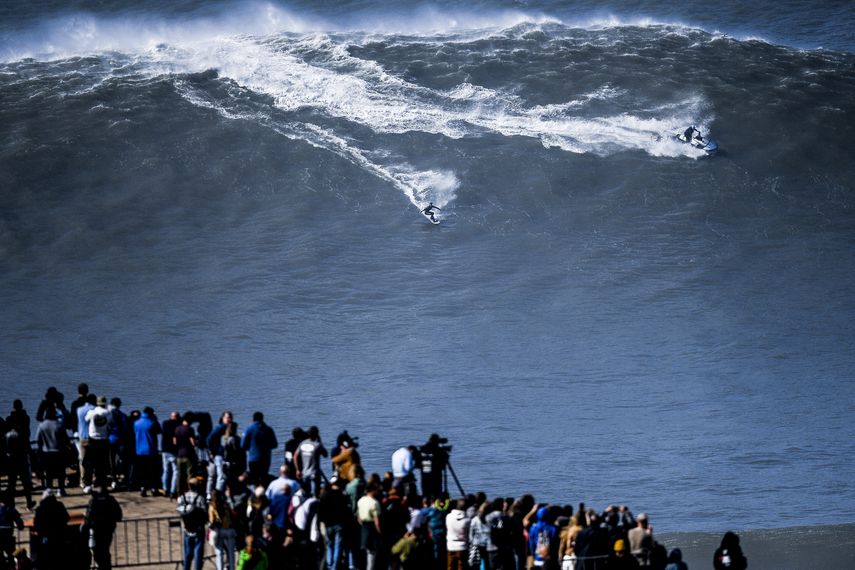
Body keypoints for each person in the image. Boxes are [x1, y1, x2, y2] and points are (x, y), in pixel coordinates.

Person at [5, 400, 35, 509]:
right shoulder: (25, 418)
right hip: (22, 453)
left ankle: (11, 503)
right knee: (26, 481)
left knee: (11, 482)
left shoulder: (9, 420)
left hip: (11, 455)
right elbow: (27, 433)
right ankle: (29, 502)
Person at [85, 485, 123, 570]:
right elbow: (118, 514)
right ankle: (106, 566)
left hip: (98, 529)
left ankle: (103, 566)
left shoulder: (94, 501)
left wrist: (89, 525)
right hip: (108, 528)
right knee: (105, 549)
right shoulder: (111, 500)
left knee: (98, 550)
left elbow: (88, 516)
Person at [177, 477, 208, 570]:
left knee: (187, 553)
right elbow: (205, 512)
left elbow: (180, 510)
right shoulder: (201, 498)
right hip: (198, 529)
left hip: (187, 529)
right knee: (198, 554)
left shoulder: (182, 497)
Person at [37, 408, 70, 495]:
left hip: (46, 451)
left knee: (48, 472)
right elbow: (65, 439)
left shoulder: (41, 425)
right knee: (61, 471)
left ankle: (49, 488)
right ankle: (61, 489)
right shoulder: (59, 425)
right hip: (59, 451)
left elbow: (39, 440)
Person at [85, 396, 114, 491]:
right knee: (102, 464)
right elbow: (110, 423)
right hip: (104, 440)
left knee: (89, 463)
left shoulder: (92, 412)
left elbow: (86, 419)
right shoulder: (108, 414)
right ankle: (101, 484)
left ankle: (88, 485)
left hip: (92, 440)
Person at [242, 412, 278, 487]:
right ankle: (263, 495)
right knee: (264, 478)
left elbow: (242, 445)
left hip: (253, 458)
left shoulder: (249, 429)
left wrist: (251, 449)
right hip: (265, 458)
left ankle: (255, 495)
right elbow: (274, 444)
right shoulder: (268, 429)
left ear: (253, 419)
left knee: (255, 479)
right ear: (262, 418)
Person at [133, 407, 161, 497]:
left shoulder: (136, 423)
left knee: (142, 471)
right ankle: (153, 489)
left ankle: (143, 488)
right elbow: (159, 431)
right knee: (153, 471)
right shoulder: (152, 423)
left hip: (139, 450)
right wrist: (156, 419)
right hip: (150, 450)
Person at [294, 425, 328, 496]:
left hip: (305, 473)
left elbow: (295, 456)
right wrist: (320, 442)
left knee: (306, 493)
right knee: (316, 494)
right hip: (314, 473)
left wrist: (297, 470)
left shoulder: (302, 443)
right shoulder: (317, 445)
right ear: (316, 434)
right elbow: (325, 455)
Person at [207, 411, 235, 497]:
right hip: (220, 455)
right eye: (227, 417)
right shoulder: (221, 427)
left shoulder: (227, 427)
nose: (229, 419)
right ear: (223, 418)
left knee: (212, 476)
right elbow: (209, 440)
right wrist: (212, 451)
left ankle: (209, 495)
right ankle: (217, 496)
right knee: (221, 477)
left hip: (218, 455)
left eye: (230, 417)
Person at [209, 489, 237, 570]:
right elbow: (233, 511)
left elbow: (211, 520)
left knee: (219, 553)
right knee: (231, 552)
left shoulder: (212, 506)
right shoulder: (226, 503)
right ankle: (232, 568)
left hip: (219, 530)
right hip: (230, 529)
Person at [357, 482, 383, 570]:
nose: (377, 490)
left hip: (364, 528)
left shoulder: (361, 500)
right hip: (372, 529)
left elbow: (359, 518)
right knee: (372, 554)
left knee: (367, 553)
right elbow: (377, 522)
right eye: (376, 489)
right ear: (372, 490)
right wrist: (380, 533)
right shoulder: (374, 503)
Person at [174, 413, 197, 495]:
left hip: (179, 455)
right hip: (188, 455)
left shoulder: (177, 429)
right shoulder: (190, 429)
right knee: (190, 474)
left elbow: (175, 442)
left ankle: (178, 492)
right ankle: (190, 491)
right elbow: (193, 443)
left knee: (179, 475)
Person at [446, 498, 470, 570]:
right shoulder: (467, 520)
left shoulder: (448, 517)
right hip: (463, 546)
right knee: (462, 566)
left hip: (451, 545)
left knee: (450, 566)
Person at [161, 411, 181, 499]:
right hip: (173, 451)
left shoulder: (165, 423)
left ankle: (165, 489)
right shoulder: (177, 426)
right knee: (175, 471)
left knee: (166, 470)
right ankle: (173, 491)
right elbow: (175, 439)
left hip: (164, 450)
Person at [0, 491, 24, 563]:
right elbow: (18, 520)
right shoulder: (10, 508)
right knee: (11, 554)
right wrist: (20, 526)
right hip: (8, 533)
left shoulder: (9, 508)